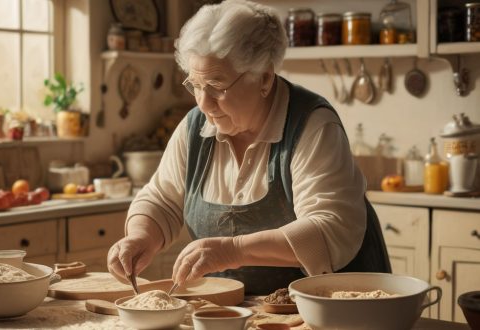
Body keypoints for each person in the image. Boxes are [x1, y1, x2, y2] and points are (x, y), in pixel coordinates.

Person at [108, 0, 391, 295]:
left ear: (264, 78)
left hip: (339, 308)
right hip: (249, 311)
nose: (203, 103)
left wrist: (233, 250)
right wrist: (140, 238)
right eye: (196, 85)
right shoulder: (195, 127)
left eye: (217, 85)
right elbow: (161, 200)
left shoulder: (313, 126)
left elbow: (329, 229)